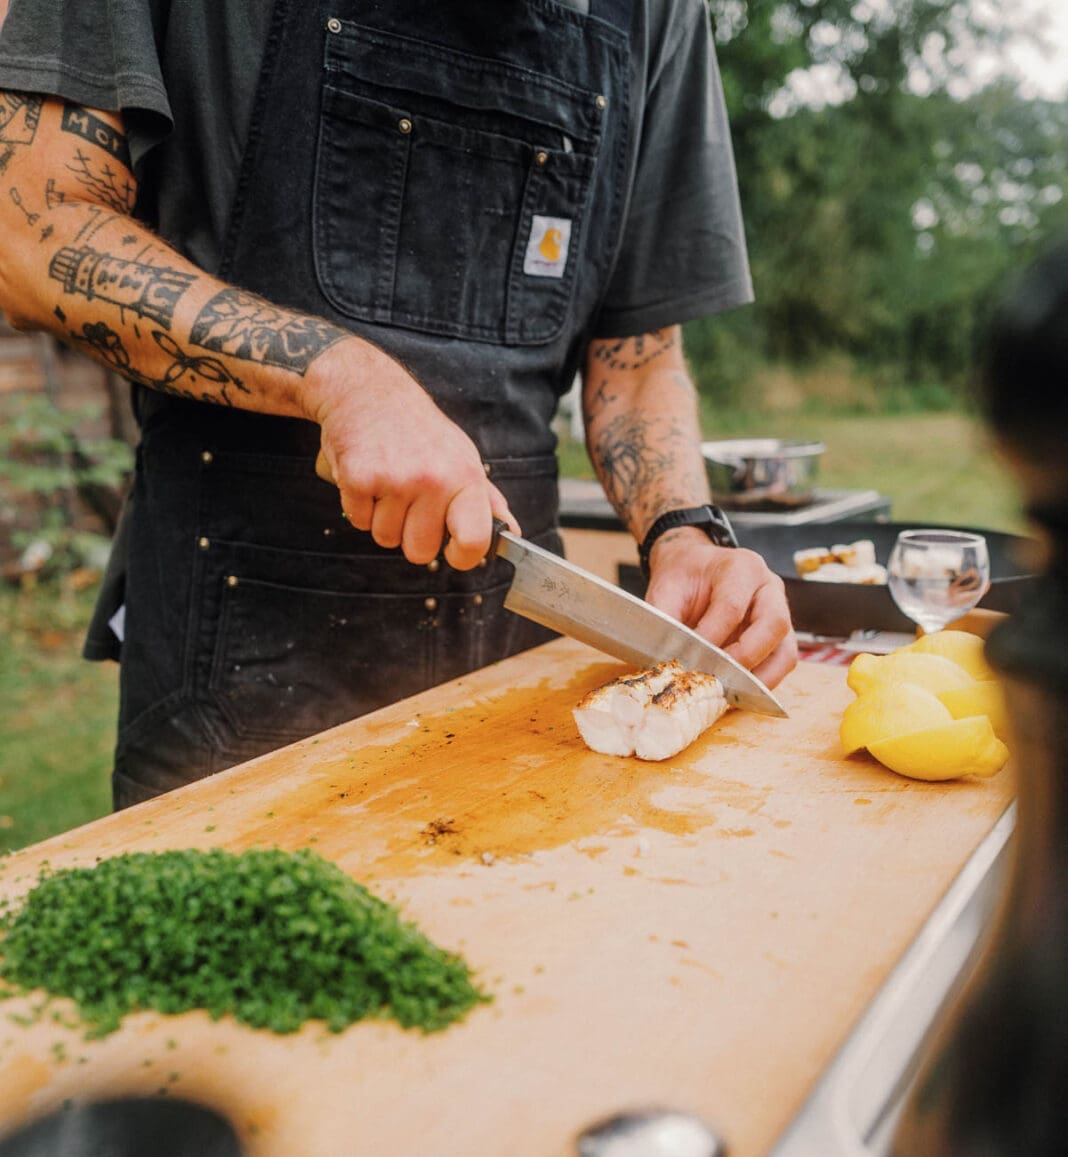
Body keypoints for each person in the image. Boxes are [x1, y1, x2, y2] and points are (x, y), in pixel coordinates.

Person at [0, 0, 796, 807]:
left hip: (514, 669)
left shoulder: (661, 14)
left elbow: (641, 355)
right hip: (235, 676)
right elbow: (33, 231)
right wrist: (337, 376)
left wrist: (683, 531)